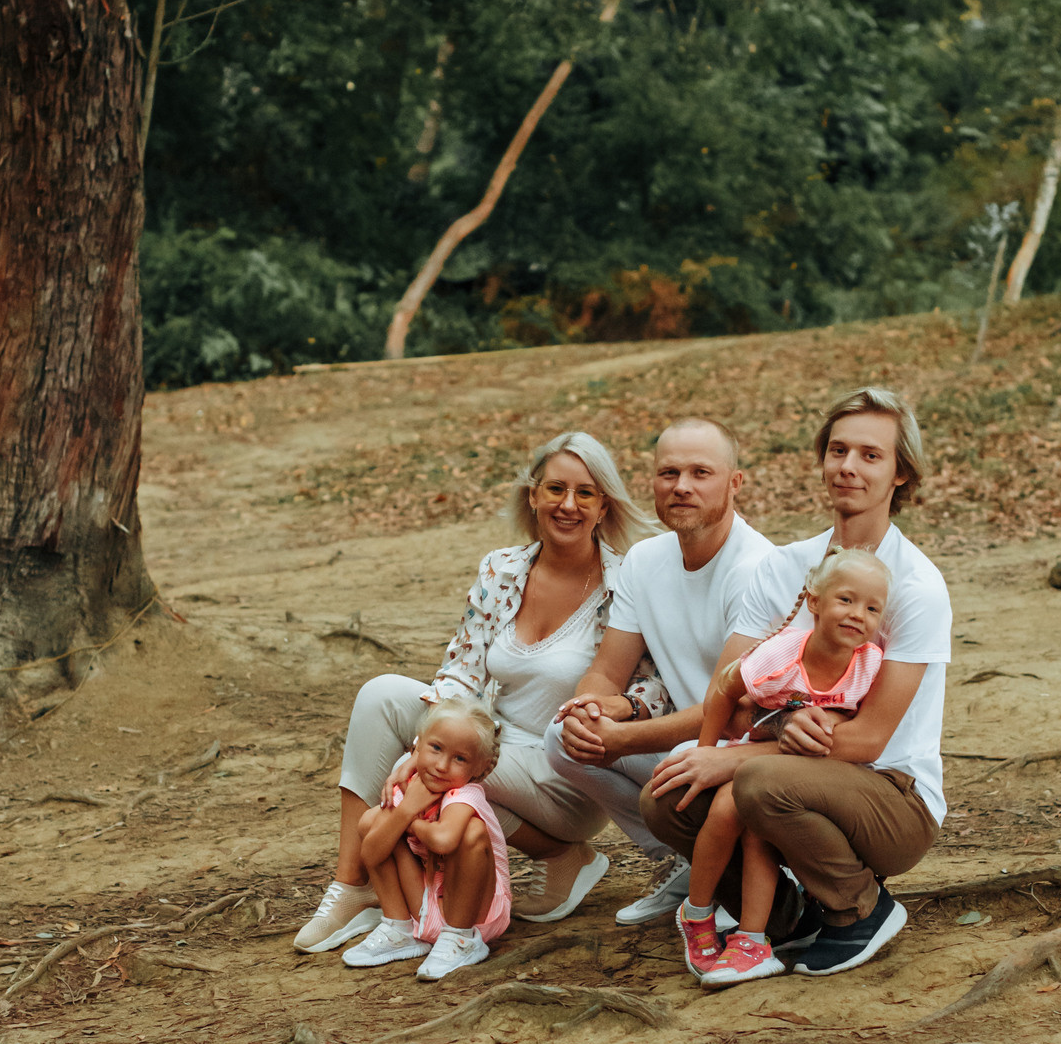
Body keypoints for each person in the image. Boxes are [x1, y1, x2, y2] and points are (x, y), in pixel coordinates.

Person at [294, 431, 654, 954]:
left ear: (604, 507)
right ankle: (351, 884)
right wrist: (425, 744)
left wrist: (623, 707)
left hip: (568, 770)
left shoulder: (627, 583)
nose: (568, 505)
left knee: (444, 764)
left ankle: (552, 852)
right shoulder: (501, 569)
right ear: (533, 496)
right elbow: (459, 672)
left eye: (585, 493)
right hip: (494, 748)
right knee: (382, 696)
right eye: (555, 489)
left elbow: (652, 687)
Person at [641, 385, 950, 978]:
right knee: (666, 795)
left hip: (892, 795)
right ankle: (783, 919)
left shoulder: (915, 588)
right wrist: (779, 722)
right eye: (837, 451)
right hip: (790, 767)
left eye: (870, 455)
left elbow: (867, 740)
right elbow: (730, 695)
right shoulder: (782, 570)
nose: (848, 468)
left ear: (901, 475)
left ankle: (859, 908)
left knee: (755, 778)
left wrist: (738, 760)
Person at [542, 419, 770, 926]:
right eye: (668, 473)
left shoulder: (757, 570)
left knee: (687, 755)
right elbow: (606, 670)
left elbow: (730, 707)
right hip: (688, 747)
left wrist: (624, 739)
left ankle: (744, 875)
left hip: (751, 758)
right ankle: (690, 862)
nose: (682, 486)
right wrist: (589, 710)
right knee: (562, 735)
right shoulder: (646, 561)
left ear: (735, 483)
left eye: (700, 473)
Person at [679, 548, 889, 988]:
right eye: (846, 600)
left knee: (761, 829)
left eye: (872, 608)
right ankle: (696, 914)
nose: (858, 615)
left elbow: (859, 723)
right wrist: (706, 749)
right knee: (725, 810)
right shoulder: (781, 655)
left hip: (803, 769)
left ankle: (752, 939)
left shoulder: (869, 662)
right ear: (813, 601)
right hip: (759, 750)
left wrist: (833, 722)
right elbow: (722, 690)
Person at [342, 698, 512, 982]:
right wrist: (407, 808)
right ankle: (400, 929)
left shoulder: (465, 794)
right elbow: (370, 853)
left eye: (460, 759)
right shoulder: (410, 789)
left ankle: (461, 941)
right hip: (428, 907)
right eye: (435, 748)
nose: (442, 765)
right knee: (373, 821)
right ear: (416, 748)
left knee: (470, 832)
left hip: (478, 916)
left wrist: (410, 819)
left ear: (479, 768)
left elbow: (444, 841)